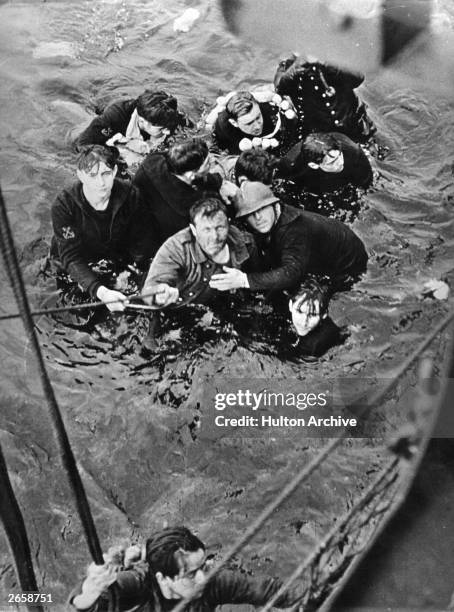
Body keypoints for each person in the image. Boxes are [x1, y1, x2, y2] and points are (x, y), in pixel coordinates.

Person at [210, 181, 368, 354]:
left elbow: (291, 273)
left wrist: (244, 280)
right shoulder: (274, 220)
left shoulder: (295, 231)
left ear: (275, 205)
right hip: (315, 260)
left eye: (261, 210)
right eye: (251, 214)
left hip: (345, 272)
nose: (258, 218)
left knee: (311, 322)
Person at [69, 526, 306, 611]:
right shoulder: (138, 584)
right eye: (192, 574)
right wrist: (90, 590)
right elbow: (85, 604)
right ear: (163, 578)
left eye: (202, 566)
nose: (203, 577)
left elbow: (272, 590)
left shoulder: (212, 582)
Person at [50, 145, 158, 312]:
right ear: (81, 176)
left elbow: (142, 239)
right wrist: (100, 291)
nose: (100, 183)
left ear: (114, 171)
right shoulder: (64, 205)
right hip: (76, 260)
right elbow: (70, 257)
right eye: (92, 175)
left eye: (106, 174)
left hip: (113, 254)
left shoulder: (130, 194)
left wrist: (136, 270)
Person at [141, 197, 258, 309]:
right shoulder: (176, 248)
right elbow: (151, 287)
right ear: (193, 230)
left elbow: (257, 279)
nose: (214, 237)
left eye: (220, 228)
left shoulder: (245, 243)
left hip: (223, 304)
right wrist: (159, 295)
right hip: (185, 307)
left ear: (228, 223)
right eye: (206, 230)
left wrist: (244, 281)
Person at [133, 138, 237, 246]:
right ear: (190, 175)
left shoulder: (153, 161)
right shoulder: (186, 210)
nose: (212, 161)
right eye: (207, 163)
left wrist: (218, 182)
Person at [274, 55, 376, 143]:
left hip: (351, 121)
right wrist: (295, 68)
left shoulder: (333, 55)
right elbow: (279, 88)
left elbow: (358, 78)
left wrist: (327, 64)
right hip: (321, 131)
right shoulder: (288, 65)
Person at [74, 89, 187, 154]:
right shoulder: (115, 116)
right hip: (102, 104)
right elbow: (82, 145)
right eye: (162, 129)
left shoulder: (169, 116)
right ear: (142, 121)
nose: (167, 132)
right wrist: (117, 153)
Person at [277, 131, 373, 193]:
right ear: (313, 165)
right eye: (332, 162)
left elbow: (366, 180)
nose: (340, 163)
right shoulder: (292, 165)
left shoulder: (352, 151)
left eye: (339, 155)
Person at [212, 90, 296, 155]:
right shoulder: (224, 125)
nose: (257, 126)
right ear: (234, 123)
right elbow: (217, 149)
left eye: (258, 117)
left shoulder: (272, 114)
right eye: (249, 123)